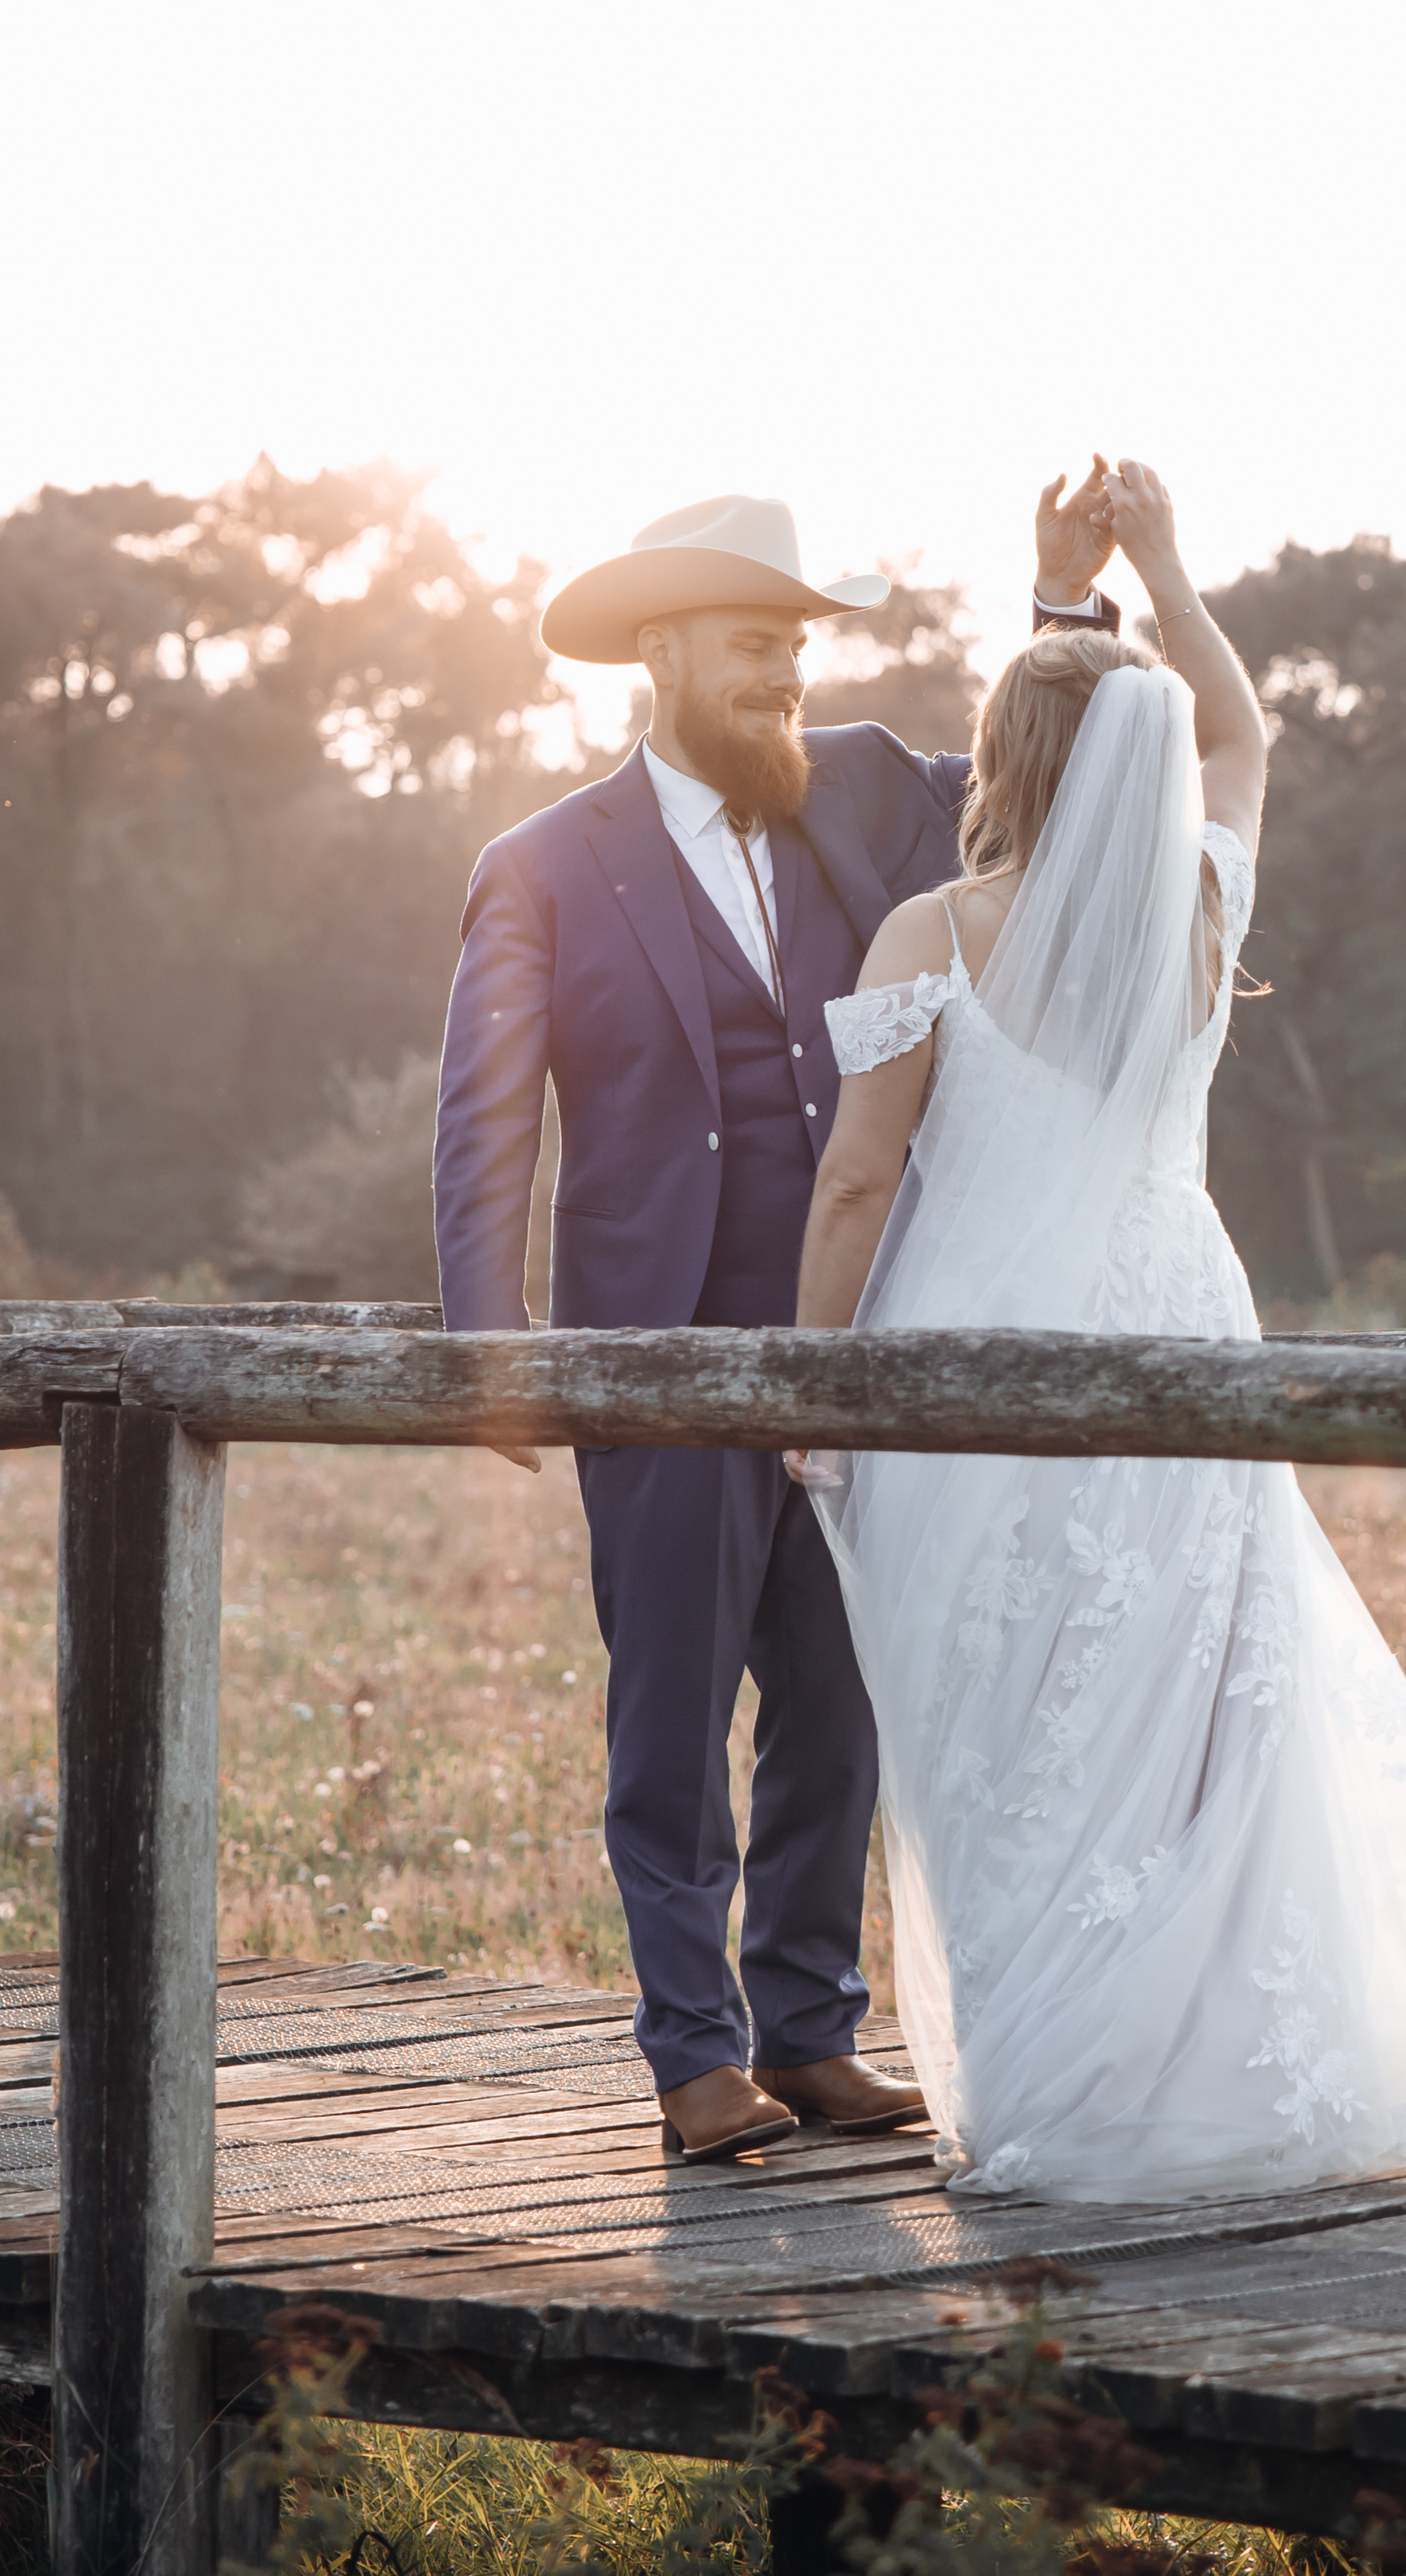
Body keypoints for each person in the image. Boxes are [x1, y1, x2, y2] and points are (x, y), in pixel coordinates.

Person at [786, 461, 1406, 2201]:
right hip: (1181, 1329)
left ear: (1004, 769)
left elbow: (859, 1185)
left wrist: (814, 1384)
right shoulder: (1205, 904)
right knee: (1192, 1714)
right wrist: (1158, 565)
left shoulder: (928, 932)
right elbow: (1244, 733)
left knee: (1005, 1716)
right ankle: (1196, 2065)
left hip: (974, 1356)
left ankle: (1043, 2083)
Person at [433, 480, 1126, 2165]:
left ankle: (809, 2025)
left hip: (854, 1335)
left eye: (799, 647)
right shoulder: (537, 866)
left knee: (839, 1693)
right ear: (664, 652)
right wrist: (492, 1340)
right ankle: (693, 2053)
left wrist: (1061, 603)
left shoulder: (877, 792)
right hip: (649, 1349)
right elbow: (485, 1119)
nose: (786, 678)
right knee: (669, 1708)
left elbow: (1062, 782)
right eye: (757, 646)